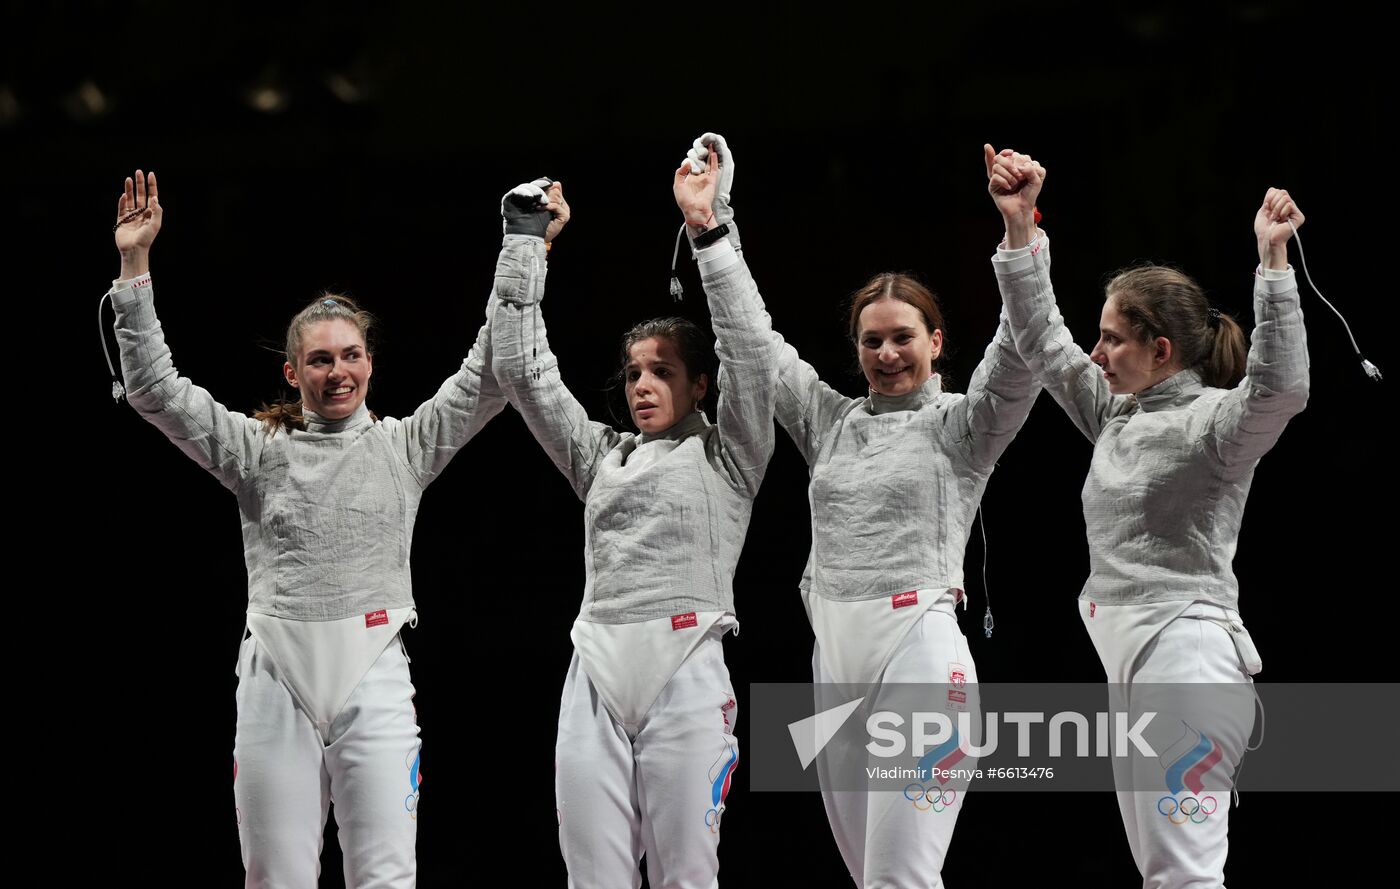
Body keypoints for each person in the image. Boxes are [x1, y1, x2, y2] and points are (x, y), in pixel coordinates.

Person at [109, 169, 510, 887]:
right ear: (293, 373)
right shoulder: (257, 453)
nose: (338, 371)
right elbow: (154, 390)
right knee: (275, 879)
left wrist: (524, 248)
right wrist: (134, 264)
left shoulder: (404, 447)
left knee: (386, 878)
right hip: (276, 678)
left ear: (370, 362)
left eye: (351, 355)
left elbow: (489, 371)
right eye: (320, 359)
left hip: (374, 675)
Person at [696, 135, 1040, 887]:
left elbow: (1019, 355)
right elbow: (756, 345)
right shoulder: (832, 423)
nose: (887, 353)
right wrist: (711, 229)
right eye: (873, 340)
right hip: (834, 658)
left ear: (937, 341)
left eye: (903, 338)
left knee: (899, 880)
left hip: (920, 652)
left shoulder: (962, 425)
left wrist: (1020, 233)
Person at [985, 144, 1308, 887]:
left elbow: (1281, 388)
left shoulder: (1215, 426)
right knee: (1167, 875)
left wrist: (1273, 266)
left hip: (1187, 659)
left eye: (1113, 339)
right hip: (1136, 661)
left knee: (1183, 875)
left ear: (1160, 349)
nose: (1095, 352)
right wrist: (1019, 228)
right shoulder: (1118, 414)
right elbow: (1040, 340)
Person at [484, 151, 777, 887]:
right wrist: (524, 244)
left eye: (663, 371)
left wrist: (709, 230)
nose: (642, 385)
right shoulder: (600, 458)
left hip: (685, 669)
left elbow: (750, 347)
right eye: (634, 373)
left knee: (686, 876)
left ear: (701, 384)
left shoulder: (731, 454)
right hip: (595, 670)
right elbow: (522, 372)